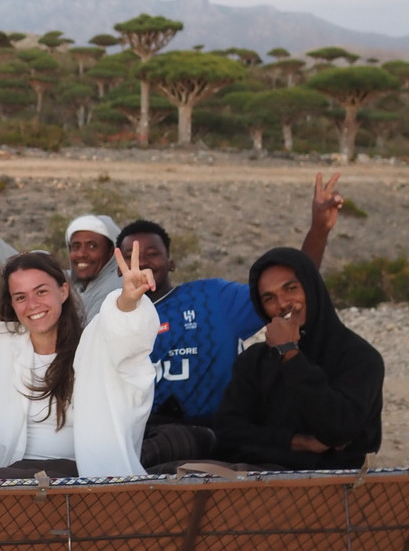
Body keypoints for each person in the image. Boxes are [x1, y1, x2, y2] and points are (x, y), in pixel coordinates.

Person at [117, 172, 344, 429]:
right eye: (131, 255)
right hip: (142, 435)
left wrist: (319, 229)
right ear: (118, 268)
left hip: (219, 432)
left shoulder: (213, 298)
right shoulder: (110, 318)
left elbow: (291, 285)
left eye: (152, 253)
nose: (142, 262)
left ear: (171, 263)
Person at [0, 245, 159, 479]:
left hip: (82, 473)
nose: (32, 304)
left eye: (41, 291)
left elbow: (125, 337)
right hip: (11, 470)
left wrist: (127, 301)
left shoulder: (94, 345)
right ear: (13, 305)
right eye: (21, 297)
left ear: (63, 291)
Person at [212, 247, 383, 470]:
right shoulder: (254, 361)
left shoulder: (360, 357)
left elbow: (339, 429)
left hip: (338, 485)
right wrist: (299, 442)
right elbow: (227, 433)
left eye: (290, 288)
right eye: (269, 298)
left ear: (312, 287)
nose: (283, 303)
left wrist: (290, 355)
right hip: (256, 482)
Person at [0, 177, 122, 322]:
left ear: (111, 251)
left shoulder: (115, 290)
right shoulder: (74, 283)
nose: (82, 254)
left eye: (92, 246)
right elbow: (20, 266)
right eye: (76, 246)